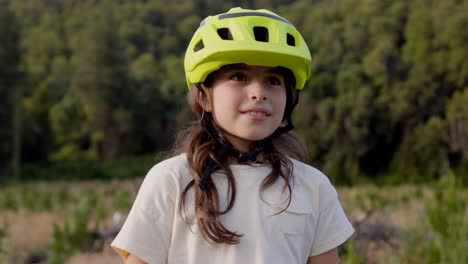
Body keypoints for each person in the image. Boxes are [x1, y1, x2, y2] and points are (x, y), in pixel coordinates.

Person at [111, 7, 354, 264]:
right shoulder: (170, 180)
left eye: (273, 80)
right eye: (239, 76)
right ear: (205, 96)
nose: (258, 93)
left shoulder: (313, 186)